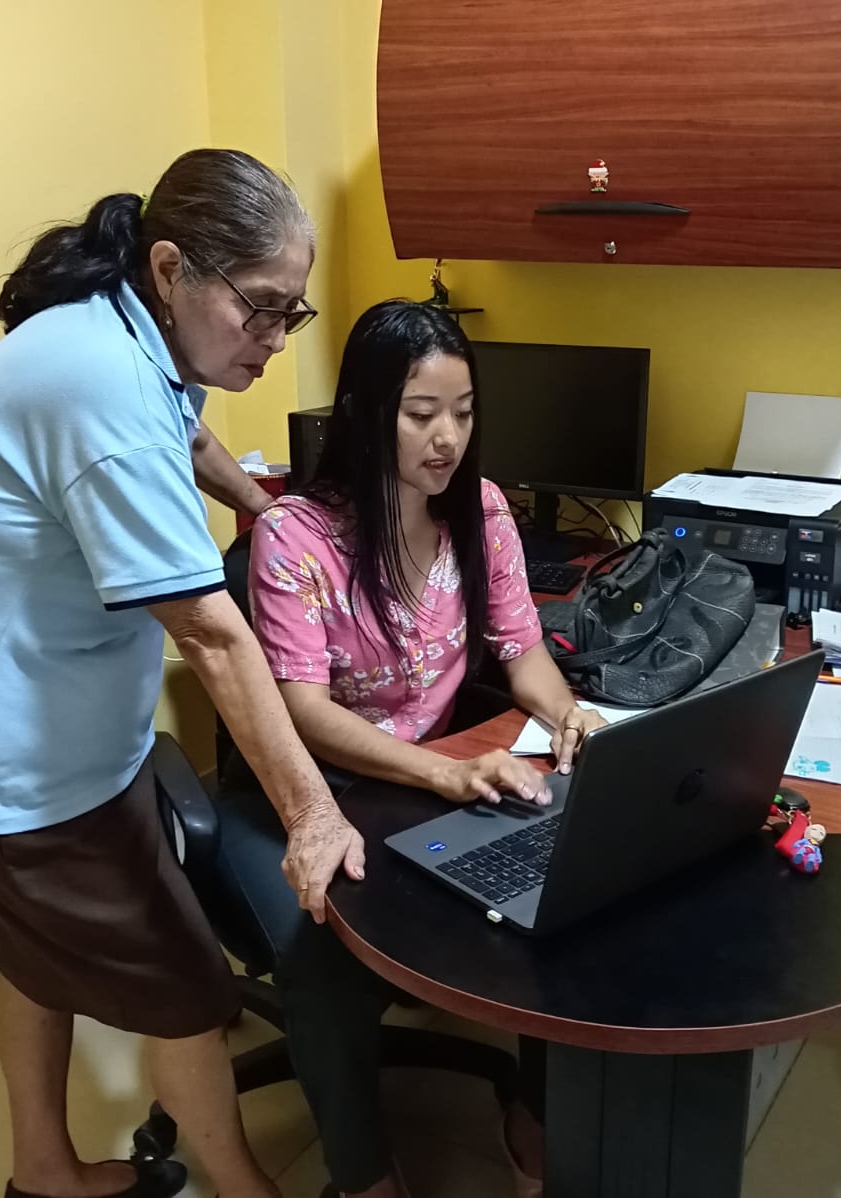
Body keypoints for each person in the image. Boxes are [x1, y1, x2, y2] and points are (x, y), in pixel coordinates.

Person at [0, 149, 365, 1198]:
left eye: (294, 313)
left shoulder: (122, 335)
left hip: (28, 735)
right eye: (261, 309)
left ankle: (44, 1173)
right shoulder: (97, 382)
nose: (276, 339)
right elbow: (212, 634)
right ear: (171, 268)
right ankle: (245, 1189)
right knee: (188, 992)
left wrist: (266, 508)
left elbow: (183, 434)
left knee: (34, 961)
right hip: (13, 767)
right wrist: (313, 814)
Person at [234, 301, 609, 1198]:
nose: (448, 438)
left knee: (570, 890)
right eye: (421, 414)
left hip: (433, 775)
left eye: (464, 412)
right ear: (365, 413)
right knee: (320, 958)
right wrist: (447, 771)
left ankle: (535, 1119)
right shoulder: (295, 537)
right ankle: (363, 1174)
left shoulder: (479, 510)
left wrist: (568, 715)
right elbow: (301, 712)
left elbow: (521, 652)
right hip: (317, 787)